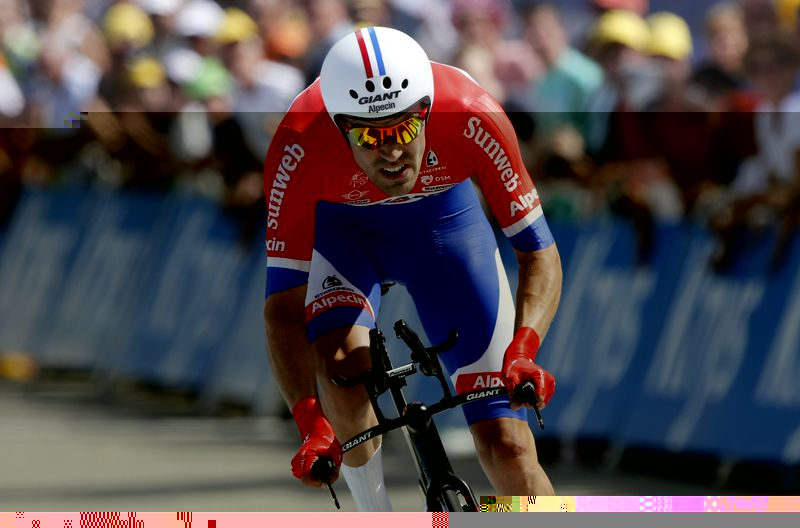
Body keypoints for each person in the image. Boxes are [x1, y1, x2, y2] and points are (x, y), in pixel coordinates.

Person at [263, 26, 562, 511]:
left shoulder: (471, 112)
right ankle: (374, 513)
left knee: (509, 446)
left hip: (446, 229)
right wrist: (310, 422)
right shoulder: (298, 142)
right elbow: (282, 307)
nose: (392, 151)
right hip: (345, 237)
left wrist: (524, 348)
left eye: (404, 129)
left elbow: (538, 251)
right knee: (343, 370)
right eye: (369, 135)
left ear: (426, 110)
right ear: (339, 126)